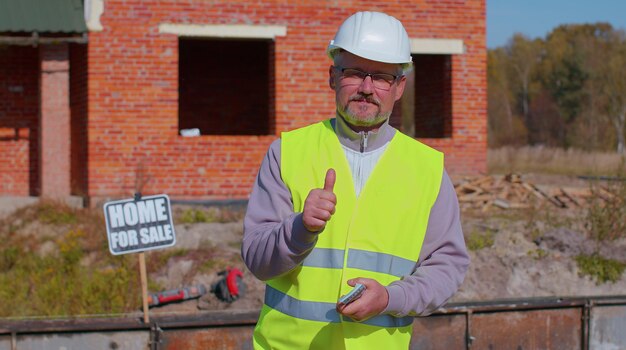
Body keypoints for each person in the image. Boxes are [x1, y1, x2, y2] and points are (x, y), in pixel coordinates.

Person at [241, 11, 469, 349]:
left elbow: (447, 268)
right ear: (333, 77)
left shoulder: (427, 169)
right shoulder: (287, 152)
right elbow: (257, 260)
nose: (366, 88)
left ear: (399, 86)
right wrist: (299, 229)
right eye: (354, 73)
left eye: (381, 77)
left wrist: (391, 298)